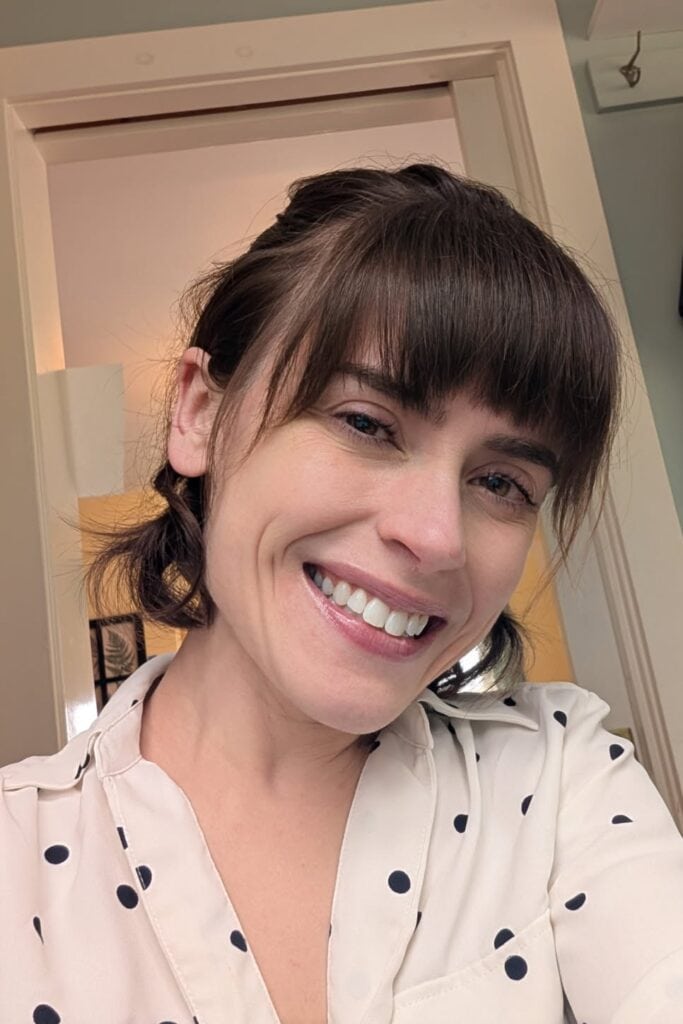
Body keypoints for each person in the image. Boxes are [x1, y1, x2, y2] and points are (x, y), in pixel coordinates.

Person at [1, 164, 681, 1024]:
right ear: (200, 414)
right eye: (365, 423)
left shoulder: (560, 783)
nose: (436, 536)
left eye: (501, 483)